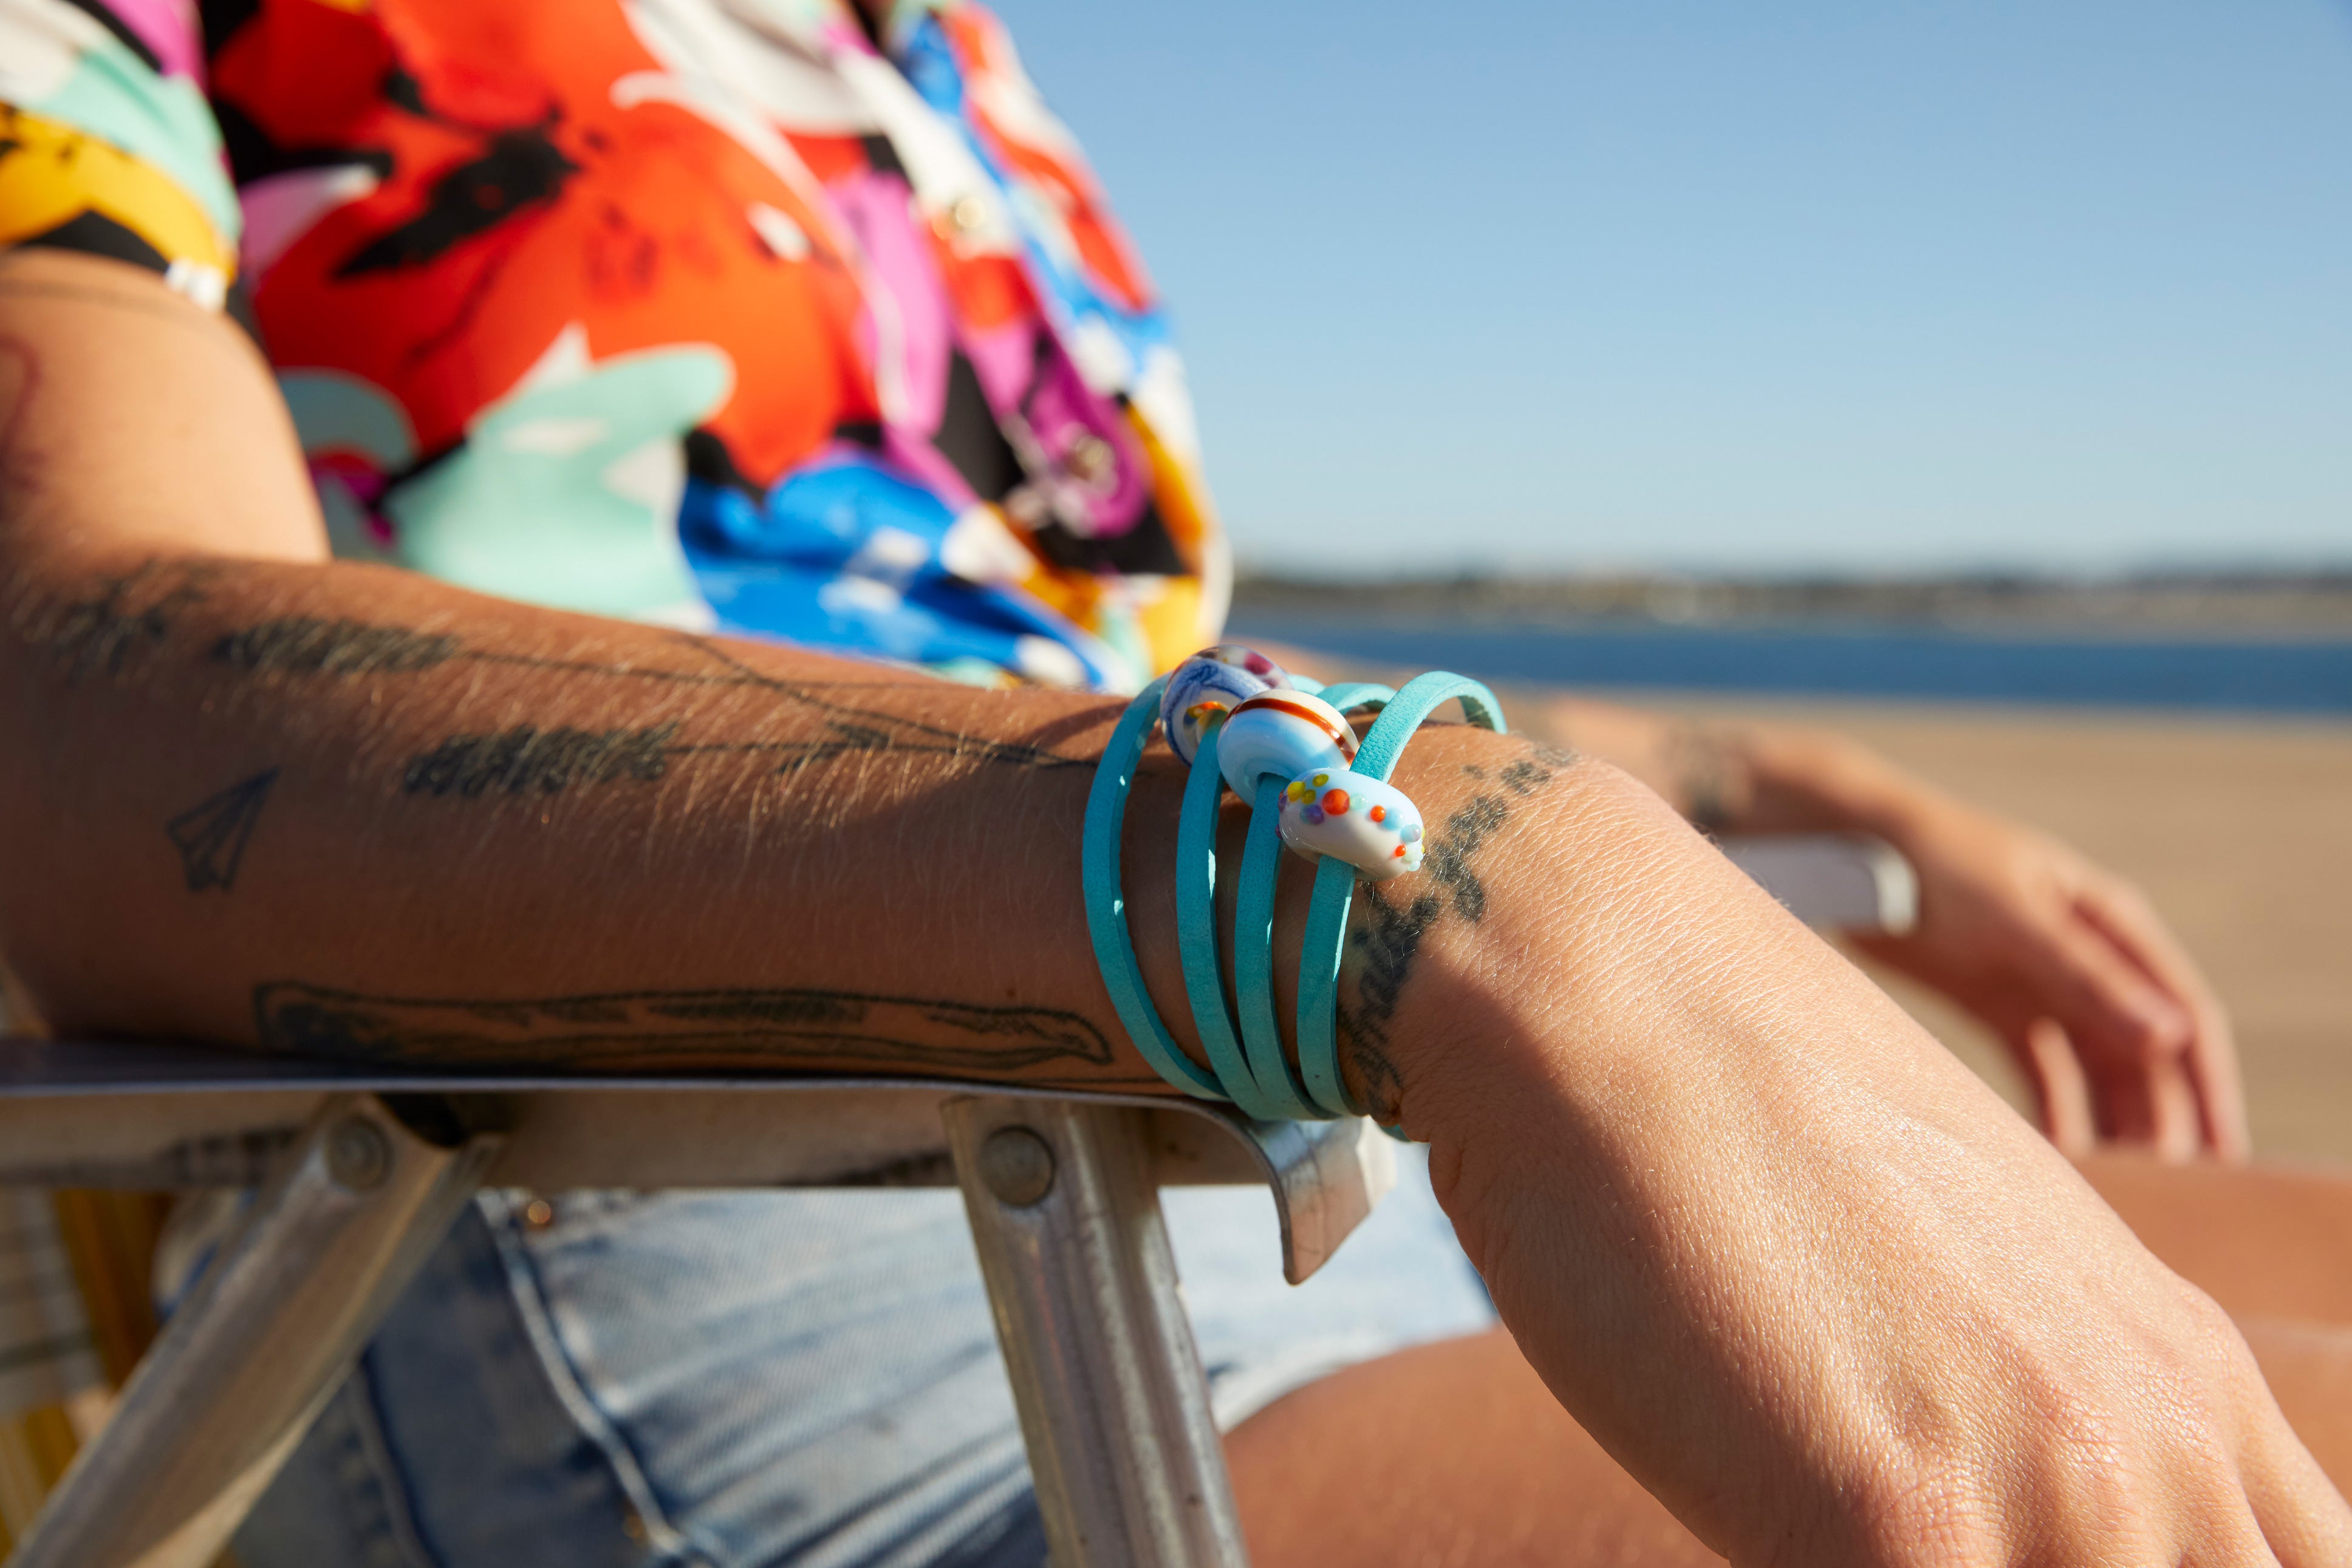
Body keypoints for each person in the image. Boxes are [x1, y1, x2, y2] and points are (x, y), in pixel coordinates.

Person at [1, 0, 2347, 1563]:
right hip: (668, 1212)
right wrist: (1454, 896)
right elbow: (81, 694)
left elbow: (1107, 677)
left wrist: (1758, 781)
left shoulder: (943, 73)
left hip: (1286, 1144)